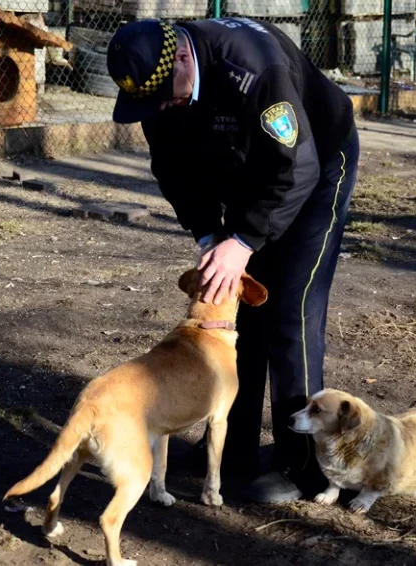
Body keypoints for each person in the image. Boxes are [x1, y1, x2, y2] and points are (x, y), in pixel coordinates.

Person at [106, 16, 359, 503]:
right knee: (242, 304)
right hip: (250, 173)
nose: (159, 110)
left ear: (183, 58)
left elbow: (297, 168)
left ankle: (300, 463)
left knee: (290, 309)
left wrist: (242, 241)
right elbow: (172, 168)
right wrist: (208, 235)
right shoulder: (161, 85)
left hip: (316, 163)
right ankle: (230, 448)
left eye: (164, 98)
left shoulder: (253, 69)